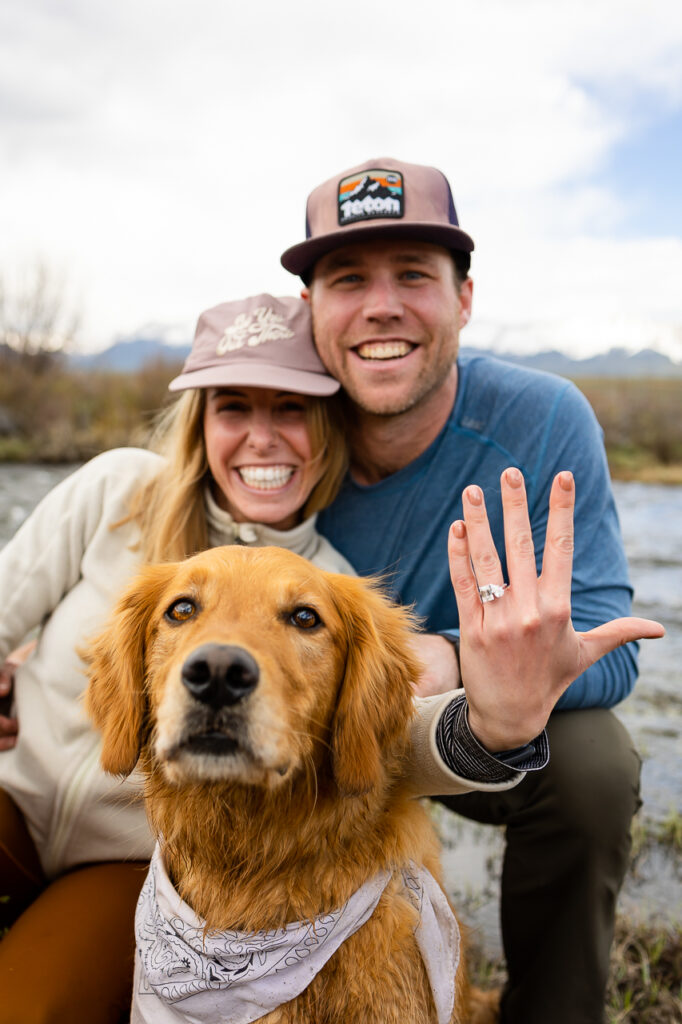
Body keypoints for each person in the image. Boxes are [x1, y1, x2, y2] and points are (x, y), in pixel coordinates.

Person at [0, 292, 564, 1023]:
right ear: (202, 423)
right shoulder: (114, 491)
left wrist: (491, 727)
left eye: (291, 410)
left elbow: (378, 742)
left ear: (326, 430)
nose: (262, 437)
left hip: (132, 863)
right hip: (14, 799)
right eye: (234, 406)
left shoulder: (338, 583)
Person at [279, 157, 664, 1023]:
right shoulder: (277, 425)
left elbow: (609, 635)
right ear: (310, 313)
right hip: (304, 732)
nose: (382, 305)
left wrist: (458, 657)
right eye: (347, 279)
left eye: (415, 275)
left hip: (477, 724)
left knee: (594, 768)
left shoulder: (544, 419)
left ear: (464, 299)